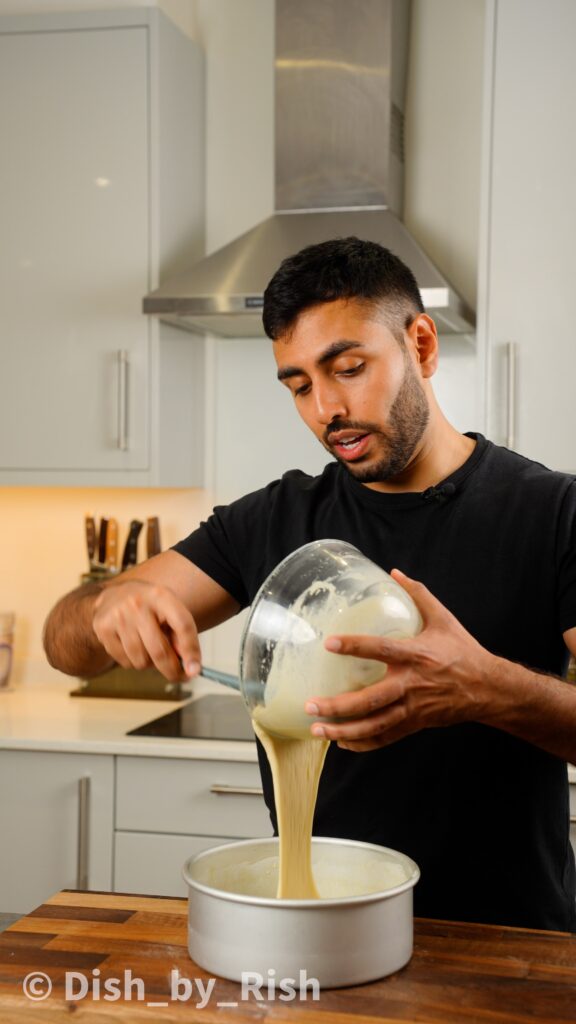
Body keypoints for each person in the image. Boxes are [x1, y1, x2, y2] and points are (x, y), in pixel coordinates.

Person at [44, 237, 576, 932]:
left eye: (348, 368)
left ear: (420, 346)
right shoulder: (276, 518)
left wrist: (486, 688)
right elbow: (67, 645)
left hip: (507, 945)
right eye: (298, 386)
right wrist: (109, 605)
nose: (326, 408)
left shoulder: (551, 513)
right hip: (320, 929)